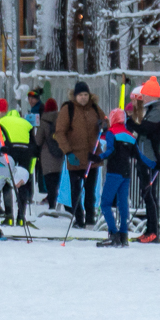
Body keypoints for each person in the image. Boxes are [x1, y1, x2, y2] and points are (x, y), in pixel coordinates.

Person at [126, 75, 160, 243]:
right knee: (148, 193)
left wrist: (131, 123)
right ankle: (150, 229)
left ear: (152, 96)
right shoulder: (152, 109)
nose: (143, 97)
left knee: (149, 194)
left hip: (150, 158)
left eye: (145, 95)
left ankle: (153, 231)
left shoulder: (158, 111)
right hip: (145, 155)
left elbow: (146, 128)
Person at [55, 80, 107, 229]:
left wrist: (104, 125)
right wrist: (68, 152)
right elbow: (60, 132)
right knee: (76, 190)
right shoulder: (68, 109)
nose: (83, 98)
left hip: (92, 158)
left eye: (85, 94)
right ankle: (78, 219)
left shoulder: (95, 108)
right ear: (75, 96)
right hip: (75, 157)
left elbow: (105, 122)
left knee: (90, 191)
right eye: (80, 95)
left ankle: (90, 218)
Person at [0, 108, 35, 226]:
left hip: (10, 149)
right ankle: (21, 217)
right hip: (26, 151)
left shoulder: (2, 121)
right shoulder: (27, 124)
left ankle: (9, 216)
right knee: (22, 182)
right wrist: (30, 170)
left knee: (6, 181)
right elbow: (34, 145)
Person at [94, 108, 138, 248]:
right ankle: (124, 234)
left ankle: (113, 233)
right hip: (126, 172)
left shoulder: (111, 132)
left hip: (114, 171)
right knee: (122, 203)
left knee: (105, 203)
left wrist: (98, 157)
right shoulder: (130, 135)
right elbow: (136, 154)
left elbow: (109, 149)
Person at [33, 98, 64, 208]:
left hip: (47, 157)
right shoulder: (62, 119)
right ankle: (61, 203)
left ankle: (51, 205)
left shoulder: (44, 120)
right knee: (59, 181)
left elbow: (38, 140)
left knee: (50, 183)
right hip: (60, 155)